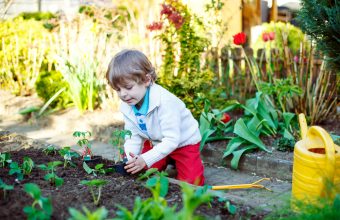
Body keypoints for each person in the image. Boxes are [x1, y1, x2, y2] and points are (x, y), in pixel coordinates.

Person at [106, 49, 205, 186]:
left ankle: (177, 161)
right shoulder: (128, 104)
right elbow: (133, 135)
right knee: (143, 173)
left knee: (191, 184)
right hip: (156, 142)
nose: (123, 94)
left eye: (128, 87)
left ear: (147, 80)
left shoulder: (164, 102)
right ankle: (167, 159)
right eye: (118, 90)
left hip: (182, 143)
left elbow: (172, 140)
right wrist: (131, 160)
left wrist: (145, 159)